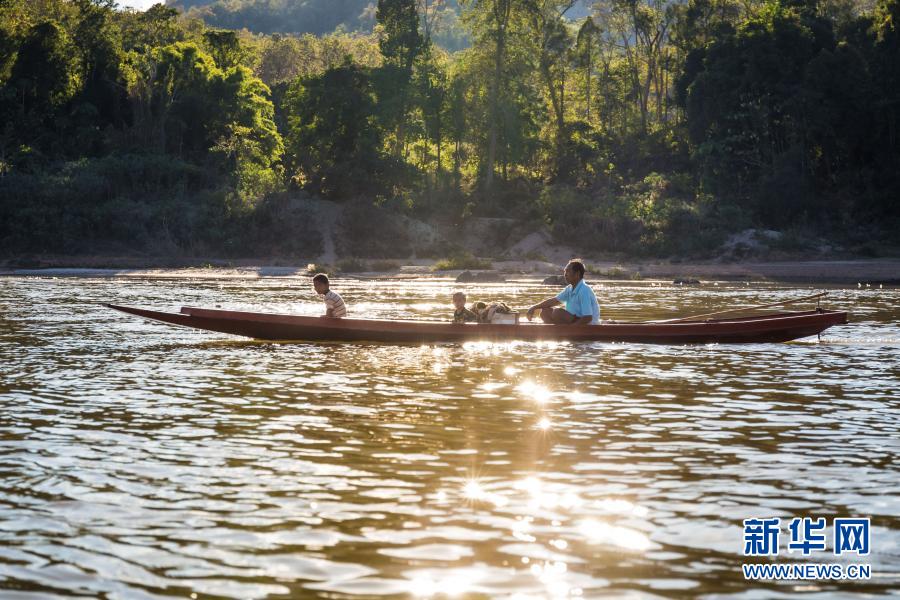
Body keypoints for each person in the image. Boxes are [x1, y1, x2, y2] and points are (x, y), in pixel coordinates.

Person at [526, 259, 599, 325]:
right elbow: (554, 301)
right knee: (545, 312)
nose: (565, 274)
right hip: (574, 320)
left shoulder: (584, 290)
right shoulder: (569, 289)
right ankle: (556, 333)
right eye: (565, 271)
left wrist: (572, 329)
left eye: (568, 271)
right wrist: (534, 308)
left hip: (587, 324)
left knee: (557, 312)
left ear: (577, 274)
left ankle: (564, 332)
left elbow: (588, 317)